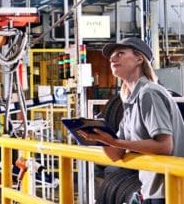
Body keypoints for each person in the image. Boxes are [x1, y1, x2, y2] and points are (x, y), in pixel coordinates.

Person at [79, 37, 184, 204]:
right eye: (112, 56)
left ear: (139, 59)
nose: (113, 59)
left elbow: (165, 146)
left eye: (120, 53)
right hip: (151, 190)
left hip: (169, 192)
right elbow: (116, 155)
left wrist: (115, 141)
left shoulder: (149, 93)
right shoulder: (129, 100)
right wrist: (99, 137)